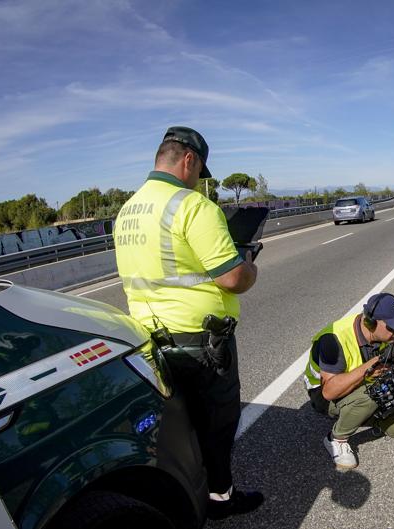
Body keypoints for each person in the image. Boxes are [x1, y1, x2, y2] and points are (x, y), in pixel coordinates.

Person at [114, 126, 263, 519]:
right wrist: (248, 266)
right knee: (218, 421)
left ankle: (186, 488)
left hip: (149, 335)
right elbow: (231, 278)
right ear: (188, 160)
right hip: (201, 341)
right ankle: (220, 497)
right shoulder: (193, 206)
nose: (199, 180)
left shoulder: (127, 211)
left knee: (179, 420)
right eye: (199, 171)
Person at [303, 292, 394, 469]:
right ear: (371, 322)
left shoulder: (386, 336)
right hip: (325, 394)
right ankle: (336, 439)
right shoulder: (333, 339)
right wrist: (371, 366)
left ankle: (360, 413)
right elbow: (329, 391)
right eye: (392, 327)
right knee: (376, 392)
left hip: (362, 382)